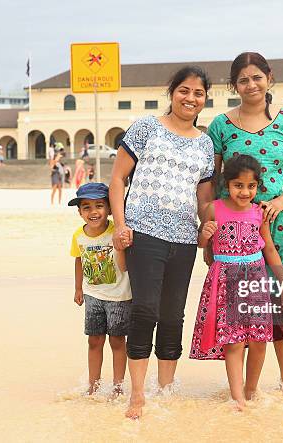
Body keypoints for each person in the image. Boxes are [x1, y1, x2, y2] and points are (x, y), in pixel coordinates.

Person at [207, 52, 283, 396]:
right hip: (231, 234)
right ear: (233, 86)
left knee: (279, 299)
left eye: (257, 77)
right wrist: (208, 232)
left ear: (270, 78)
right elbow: (212, 179)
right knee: (240, 308)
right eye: (243, 79)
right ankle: (242, 390)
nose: (251, 85)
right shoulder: (220, 125)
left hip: (279, 227)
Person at [109, 66, 215, 419]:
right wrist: (120, 227)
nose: (191, 98)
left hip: (184, 239)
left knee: (172, 316)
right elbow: (117, 179)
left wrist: (206, 225)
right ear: (172, 92)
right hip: (144, 232)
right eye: (184, 90)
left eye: (198, 93)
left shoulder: (204, 143)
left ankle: (166, 391)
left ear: (205, 99)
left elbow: (203, 196)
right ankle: (137, 394)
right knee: (145, 310)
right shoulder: (145, 128)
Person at [190, 155, 283, 410]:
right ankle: (237, 398)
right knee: (234, 341)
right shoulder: (214, 208)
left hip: (255, 280)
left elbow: (268, 248)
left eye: (251, 186)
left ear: (257, 186)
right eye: (238, 185)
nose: (245, 192)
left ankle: (251, 389)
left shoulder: (259, 213)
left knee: (258, 340)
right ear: (227, 183)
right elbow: (203, 244)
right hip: (226, 281)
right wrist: (204, 235)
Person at [69, 183, 132, 398]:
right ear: (79, 212)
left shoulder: (117, 231)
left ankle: (117, 387)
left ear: (110, 209)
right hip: (92, 295)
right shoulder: (79, 235)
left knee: (117, 340)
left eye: (99, 206)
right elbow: (78, 260)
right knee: (94, 340)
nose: (93, 212)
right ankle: (93, 386)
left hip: (119, 296)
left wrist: (120, 246)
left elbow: (124, 267)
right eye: (86, 207)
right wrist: (78, 288)